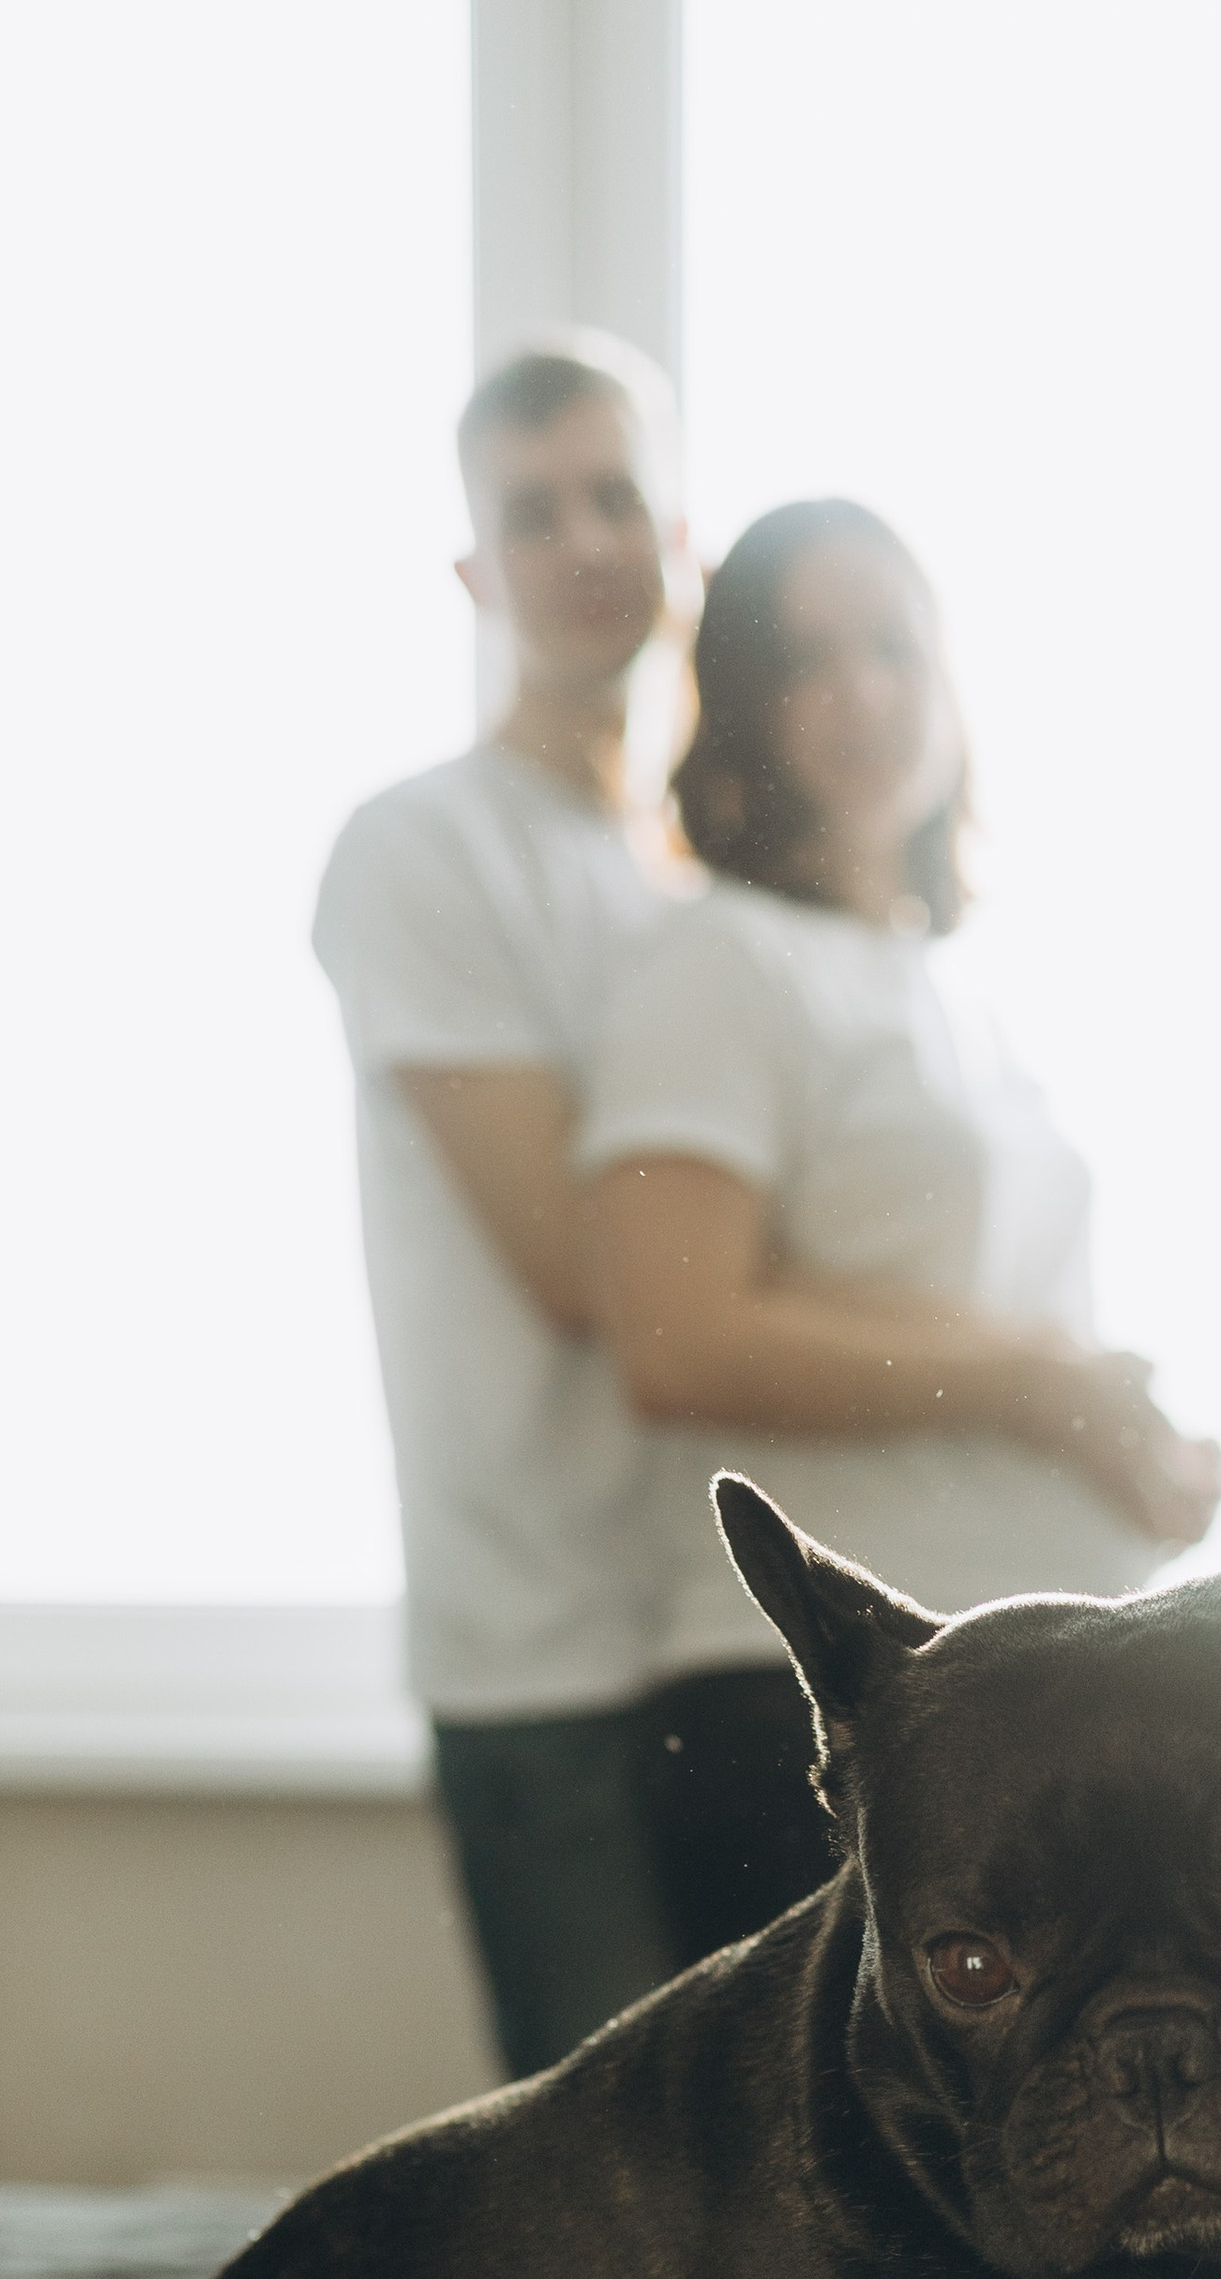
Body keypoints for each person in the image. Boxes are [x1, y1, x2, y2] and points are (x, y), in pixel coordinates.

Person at [578, 497, 1221, 1962]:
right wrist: (1045, 1396)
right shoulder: (715, 961)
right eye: (810, 661)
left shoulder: (948, 989)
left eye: (894, 647)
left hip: (1008, 1690)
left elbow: (955, 1316)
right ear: (739, 703)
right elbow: (679, 1340)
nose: (865, 692)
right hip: (816, 1708)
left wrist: (1128, 1442)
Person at [312, 334, 695, 2079]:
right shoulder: (420, 852)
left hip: (710, 1623)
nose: (585, 541)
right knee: (605, 2192)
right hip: (537, 1647)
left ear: (679, 527)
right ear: (478, 571)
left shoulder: (690, 877)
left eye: (617, 493)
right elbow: (577, 1270)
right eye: (534, 513)